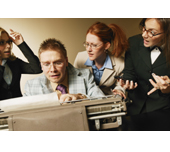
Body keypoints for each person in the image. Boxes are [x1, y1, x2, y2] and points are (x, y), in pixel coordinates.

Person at [24, 38, 105, 102]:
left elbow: (103, 100)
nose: (52, 69)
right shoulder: (31, 86)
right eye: (47, 64)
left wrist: (81, 97)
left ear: (66, 61)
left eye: (58, 63)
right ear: (41, 65)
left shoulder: (85, 75)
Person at [120, 18, 170, 115]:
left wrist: (168, 89)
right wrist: (127, 82)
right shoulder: (133, 42)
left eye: (152, 32)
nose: (144, 35)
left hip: (165, 110)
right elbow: (129, 72)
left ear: (167, 33)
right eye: (144, 28)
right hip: (135, 108)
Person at [74, 22, 128, 98]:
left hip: (109, 101)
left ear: (106, 45)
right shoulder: (80, 58)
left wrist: (119, 90)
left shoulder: (120, 63)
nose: (88, 49)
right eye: (87, 44)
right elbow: (75, 82)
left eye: (94, 45)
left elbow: (120, 85)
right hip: (85, 100)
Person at [0, 27, 42, 100]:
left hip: (19, 108)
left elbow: (37, 69)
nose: (8, 46)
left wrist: (21, 44)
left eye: (9, 41)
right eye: (2, 42)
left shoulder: (14, 62)